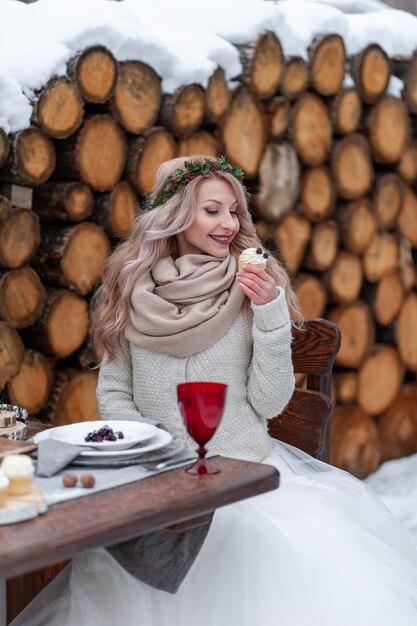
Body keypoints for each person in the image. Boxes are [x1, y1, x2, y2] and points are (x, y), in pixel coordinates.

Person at [11, 155, 417, 626]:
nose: (228, 223)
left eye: (234, 211)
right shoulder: (132, 291)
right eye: (212, 210)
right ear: (175, 215)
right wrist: (155, 448)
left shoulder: (252, 289)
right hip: (160, 481)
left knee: (253, 553)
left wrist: (269, 315)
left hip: (241, 477)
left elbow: (270, 402)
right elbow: (116, 393)